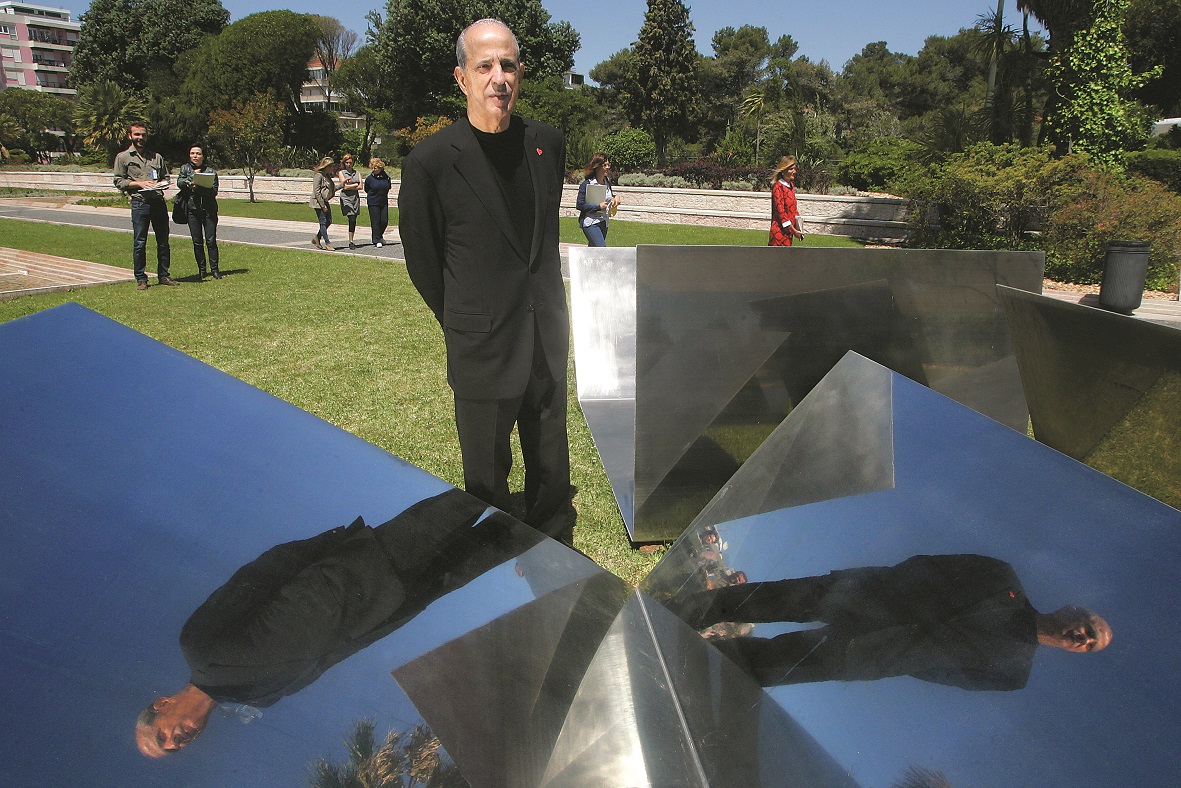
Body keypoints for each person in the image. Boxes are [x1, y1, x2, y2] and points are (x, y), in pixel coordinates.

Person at [135, 488, 542, 758]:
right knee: (494, 547)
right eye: (173, 749)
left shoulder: (199, 646)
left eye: (162, 736)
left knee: (467, 500)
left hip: (364, 565)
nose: (176, 741)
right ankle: (553, 499)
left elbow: (260, 574)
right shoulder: (261, 698)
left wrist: (333, 541)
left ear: (162, 705)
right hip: (392, 608)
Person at [398, 19, 572, 543]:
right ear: (462, 77)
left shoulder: (546, 144)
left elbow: (539, 244)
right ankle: (491, 560)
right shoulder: (430, 162)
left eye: (509, 65)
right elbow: (423, 261)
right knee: (486, 481)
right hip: (481, 344)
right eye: (485, 66)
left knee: (551, 468)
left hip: (545, 335)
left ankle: (556, 553)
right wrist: (466, 318)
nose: (499, 77)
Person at [675, 554, 1112, 691]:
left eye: (1089, 644)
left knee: (760, 665)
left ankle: (680, 668)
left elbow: (945, 676)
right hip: (862, 596)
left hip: (866, 657)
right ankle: (671, 613)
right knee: (760, 599)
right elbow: (926, 564)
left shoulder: (1014, 672)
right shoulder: (1002, 577)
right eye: (1088, 627)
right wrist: (879, 590)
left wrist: (898, 655)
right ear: (1073, 610)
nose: (1082, 637)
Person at [113, 121, 177, 290]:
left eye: (143, 135)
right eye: (137, 134)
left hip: (158, 202)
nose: (140, 138)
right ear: (130, 136)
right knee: (140, 242)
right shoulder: (123, 158)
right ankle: (141, 278)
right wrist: (139, 184)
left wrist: (161, 183)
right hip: (140, 204)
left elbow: (166, 177)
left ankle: (164, 275)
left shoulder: (156, 157)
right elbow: (119, 181)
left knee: (163, 241)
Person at [176, 143, 221, 280]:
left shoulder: (210, 171)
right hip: (192, 210)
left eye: (198, 153)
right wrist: (191, 179)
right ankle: (202, 270)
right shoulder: (185, 169)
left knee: (211, 241)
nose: (195, 156)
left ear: (203, 156)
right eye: (192, 153)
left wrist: (199, 186)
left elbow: (213, 190)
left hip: (209, 210)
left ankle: (215, 269)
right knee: (197, 241)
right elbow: (180, 182)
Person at [575, 152, 620, 247]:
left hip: (604, 222)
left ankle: (585, 262)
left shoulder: (606, 182)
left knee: (594, 253)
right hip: (591, 222)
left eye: (608, 165)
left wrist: (615, 197)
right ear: (597, 166)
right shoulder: (587, 184)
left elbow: (608, 196)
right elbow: (580, 205)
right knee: (602, 250)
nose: (608, 167)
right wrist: (598, 207)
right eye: (604, 165)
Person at [768, 155, 804, 247]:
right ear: (783, 170)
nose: (794, 171)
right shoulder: (778, 187)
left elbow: (794, 210)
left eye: (794, 169)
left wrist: (799, 227)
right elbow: (781, 213)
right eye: (791, 169)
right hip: (779, 233)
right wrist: (793, 230)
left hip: (789, 233)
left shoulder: (791, 186)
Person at [364, 157, 392, 248]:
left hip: (383, 201)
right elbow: (366, 189)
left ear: (380, 167)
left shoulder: (386, 177)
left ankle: (379, 236)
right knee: (376, 221)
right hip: (373, 202)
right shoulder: (369, 179)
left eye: (375, 167)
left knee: (384, 220)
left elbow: (388, 187)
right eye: (372, 167)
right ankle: (377, 239)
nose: (374, 169)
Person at [310, 156, 336, 251]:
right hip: (318, 202)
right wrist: (322, 205)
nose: (332, 168)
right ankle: (327, 243)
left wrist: (343, 185)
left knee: (329, 221)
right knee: (323, 222)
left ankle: (317, 238)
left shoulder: (327, 176)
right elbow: (316, 191)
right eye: (331, 166)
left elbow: (331, 190)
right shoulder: (319, 175)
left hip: (324, 201)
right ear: (326, 166)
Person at [337, 152, 362, 249]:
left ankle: (351, 240)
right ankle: (350, 241)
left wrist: (352, 186)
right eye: (347, 162)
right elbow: (345, 187)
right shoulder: (341, 173)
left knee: (354, 219)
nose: (349, 164)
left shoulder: (357, 173)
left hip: (355, 198)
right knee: (351, 217)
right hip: (346, 198)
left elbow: (360, 186)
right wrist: (354, 185)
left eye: (350, 162)